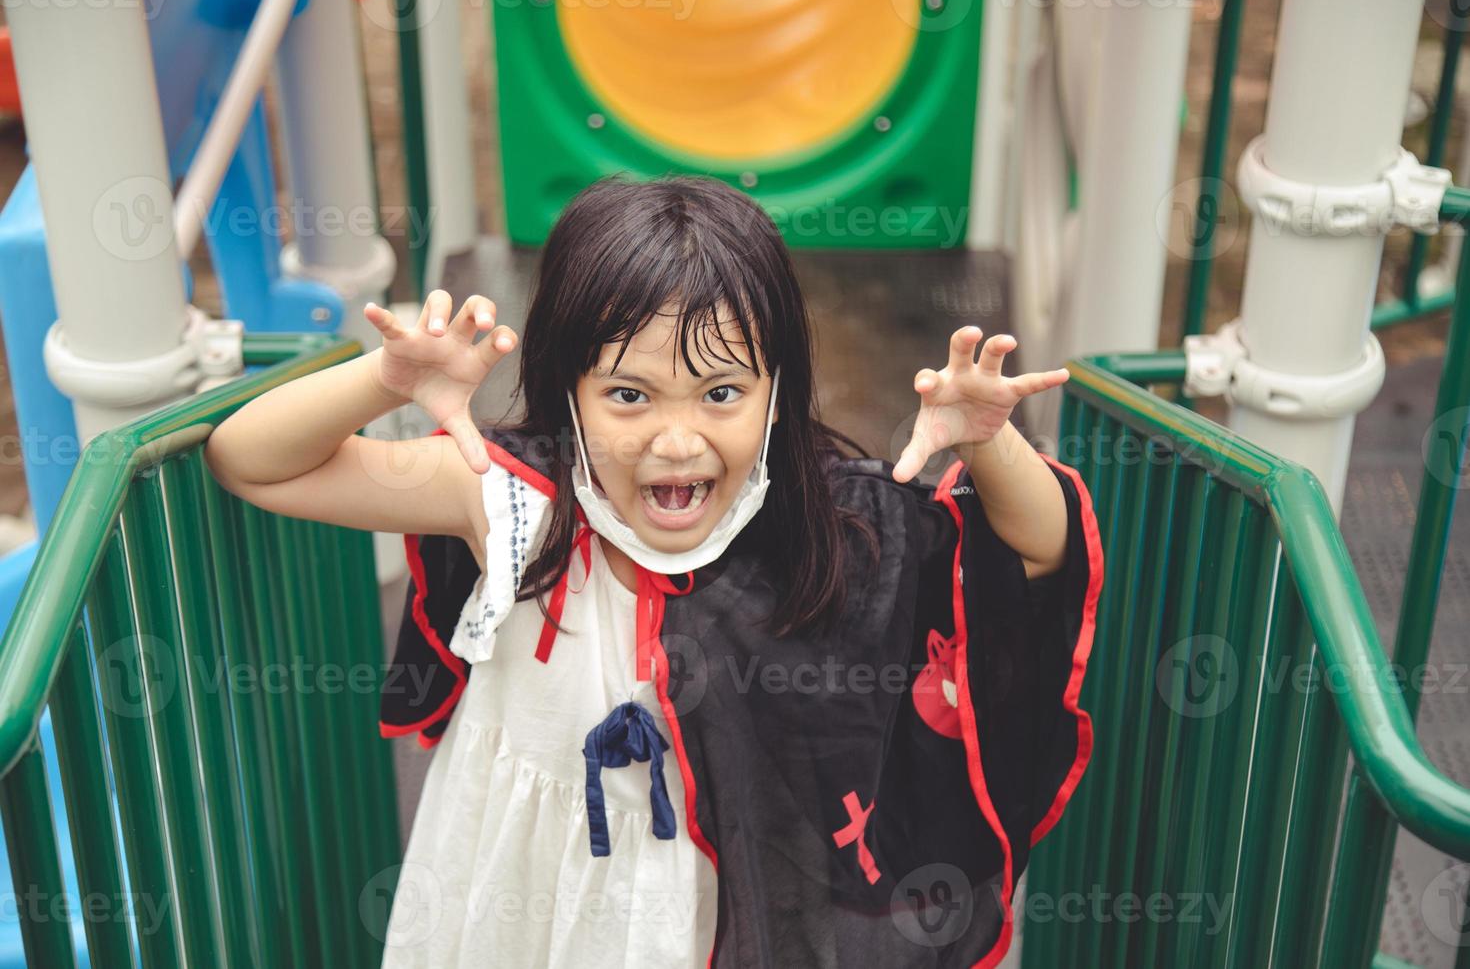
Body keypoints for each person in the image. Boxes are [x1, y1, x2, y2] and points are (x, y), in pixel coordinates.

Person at [203, 173, 1103, 968]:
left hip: (733, 899)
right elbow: (252, 458)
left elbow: (1036, 550)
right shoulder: (511, 500)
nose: (678, 441)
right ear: (568, 390)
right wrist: (385, 383)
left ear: (776, 391)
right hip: (532, 897)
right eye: (628, 396)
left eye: (722, 393)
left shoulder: (824, 518)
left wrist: (992, 448)